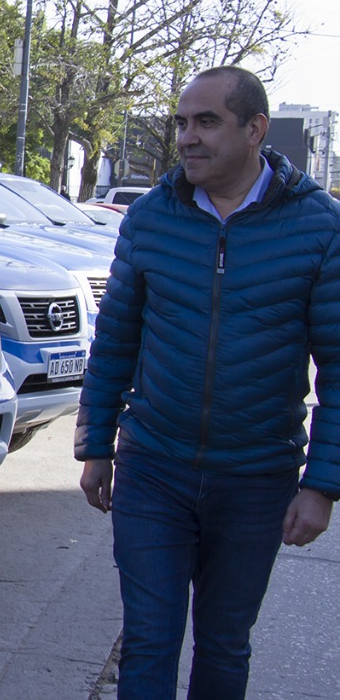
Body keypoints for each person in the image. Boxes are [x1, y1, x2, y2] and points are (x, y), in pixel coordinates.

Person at [75, 66, 340, 699]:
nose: (188, 137)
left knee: (223, 644)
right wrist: (96, 444)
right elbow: (116, 340)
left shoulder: (318, 226)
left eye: (207, 122)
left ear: (255, 129)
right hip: (153, 472)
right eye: (181, 122)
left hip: (256, 479)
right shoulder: (151, 218)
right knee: (149, 639)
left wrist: (323, 486)